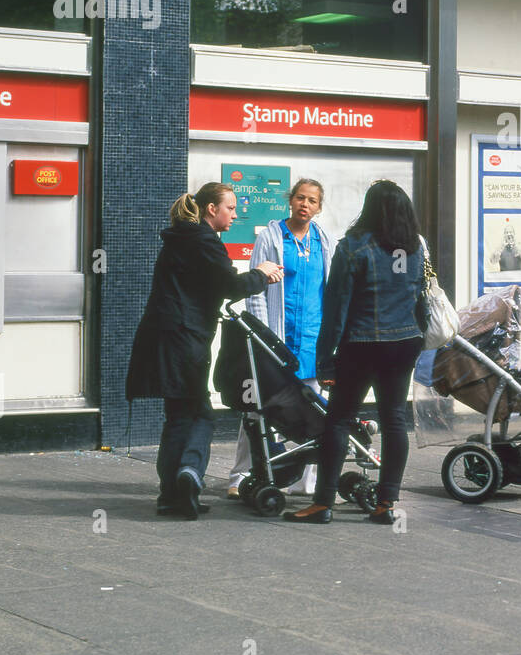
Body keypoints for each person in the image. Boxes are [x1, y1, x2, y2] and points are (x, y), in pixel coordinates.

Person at [126, 183, 283, 518]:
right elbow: (230, 285)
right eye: (230, 207)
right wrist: (261, 273)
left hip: (164, 338)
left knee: (177, 416)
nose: (235, 213)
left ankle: (170, 495)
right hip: (185, 341)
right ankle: (191, 473)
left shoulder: (182, 238)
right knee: (201, 414)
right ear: (212, 209)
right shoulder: (203, 240)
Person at [285, 180, 425, 526]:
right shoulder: (415, 247)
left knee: (339, 419)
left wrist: (324, 357)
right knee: (394, 420)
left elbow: (336, 307)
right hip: (405, 342)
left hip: (362, 343)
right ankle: (386, 503)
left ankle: (322, 503)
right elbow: (419, 297)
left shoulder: (353, 247)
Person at [227, 178, 333, 499]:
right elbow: (256, 291)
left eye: (312, 201)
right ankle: (239, 475)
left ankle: (306, 481)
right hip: (277, 340)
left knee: (314, 414)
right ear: (290, 200)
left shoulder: (325, 241)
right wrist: (262, 336)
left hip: (312, 342)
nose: (305, 204)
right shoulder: (272, 238)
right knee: (258, 411)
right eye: (300, 198)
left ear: (318, 207)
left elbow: (327, 290)